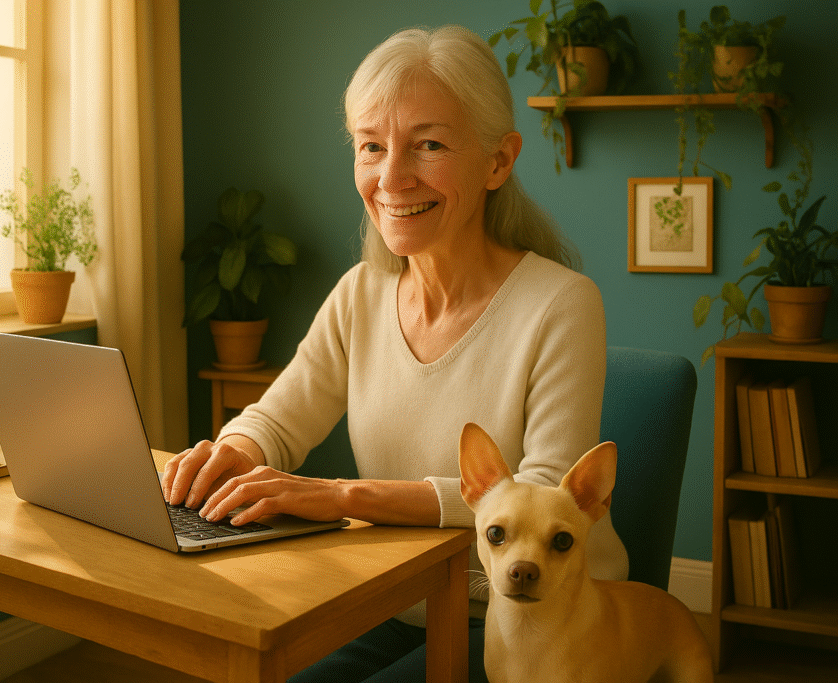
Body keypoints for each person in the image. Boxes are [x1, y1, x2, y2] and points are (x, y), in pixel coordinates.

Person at [162, 25, 628, 682]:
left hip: (533, 620)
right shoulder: (362, 292)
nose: (390, 177)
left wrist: (342, 495)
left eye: (429, 145)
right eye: (370, 146)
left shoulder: (563, 302)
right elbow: (277, 419)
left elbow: (541, 497)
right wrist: (228, 455)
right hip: (394, 601)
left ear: (499, 161)